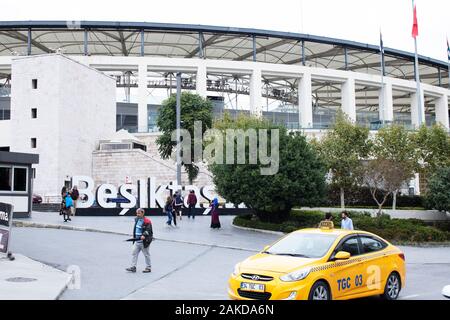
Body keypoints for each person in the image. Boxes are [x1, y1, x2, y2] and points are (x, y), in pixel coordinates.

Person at [126, 208, 153, 273]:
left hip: (144, 241)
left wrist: (144, 235)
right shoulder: (137, 219)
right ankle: (133, 267)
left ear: (143, 213)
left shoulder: (147, 221)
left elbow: (148, 230)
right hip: (137, 241)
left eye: (139, 213)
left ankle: (148, 268)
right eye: (137, 213)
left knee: (146, 255)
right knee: (134, 253)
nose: (137, 214)